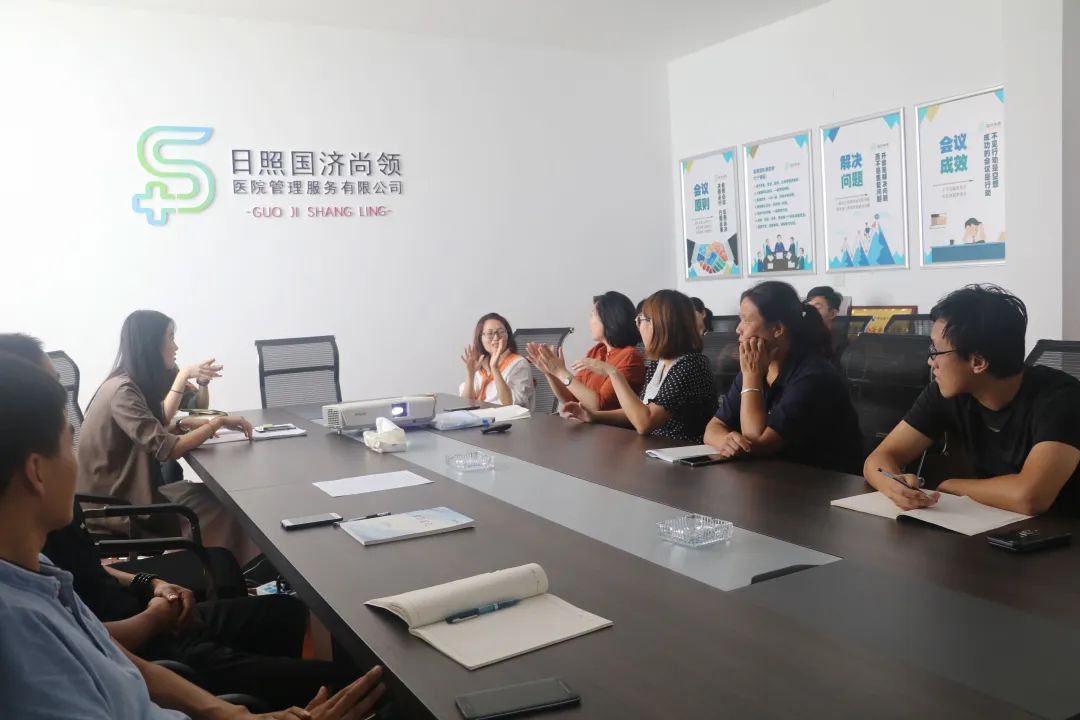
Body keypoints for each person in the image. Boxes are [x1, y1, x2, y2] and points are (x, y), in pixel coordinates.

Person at [0, 353, 386, 719]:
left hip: (155, 633)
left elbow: (123, 662)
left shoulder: (43, 573)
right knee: (374, 688)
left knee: (293, 620)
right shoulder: (21, 635)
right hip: (158, 633)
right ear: (37, 472)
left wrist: (237, 715)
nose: (78, 463)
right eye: (68, 446)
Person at [864, 285, 1080, 515]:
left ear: (978, 362)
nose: (930, 362)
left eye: (936, 351)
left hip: (1063, 529)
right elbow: (880, 457)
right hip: (996, 522)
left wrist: (950, 486)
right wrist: (894, 485)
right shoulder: (947, 391)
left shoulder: (1062, 399)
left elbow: (1030, 497)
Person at [76, 311, 257, 561]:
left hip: (126, 494)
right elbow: (167, 448)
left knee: (213, 497)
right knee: (227, 507)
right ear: (152, 344)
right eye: (170, 337)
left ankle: (214, 569)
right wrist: (217, 423)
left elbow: (147, 433)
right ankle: (215, 572)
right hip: (119, 509)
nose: (176, 346)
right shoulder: (123, 392)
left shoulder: (126, 383)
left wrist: (181, 424)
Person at [703, 281, 863, 473]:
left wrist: (752, 377)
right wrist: (726, 441)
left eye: (746, 320)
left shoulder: (814, 376)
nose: (738, 329)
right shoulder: (757, 366)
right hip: (773, 478)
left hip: (821, 483)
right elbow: (713, 428)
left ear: (778, 328)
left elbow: (758, 444)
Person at [561, 290, 718, 443]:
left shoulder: (690, 365)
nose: (638, 326)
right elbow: (639, 410)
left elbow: (644, 422)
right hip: (655, 448)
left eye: (641, 320)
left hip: (681, 452)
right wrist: (593, 416)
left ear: (660, 325)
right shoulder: (659, 363)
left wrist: (613, 373)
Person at [527, 292, 644, 412]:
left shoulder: (629, 356)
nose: (589, 321)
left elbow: (599, 406)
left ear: (610, 319)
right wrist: (550, 373)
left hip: (609, 424)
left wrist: (560, 372)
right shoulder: (597, 351)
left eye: (592, 315)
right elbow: (571, 399)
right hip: (585, 422)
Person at [459, 312, 534, 408]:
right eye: (490, 333)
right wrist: (471, 374)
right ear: (480, 338)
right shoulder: (480, 363)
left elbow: (510, 404)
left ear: (508, 335)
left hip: (507, 417)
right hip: (479, 415)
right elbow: (465, 403)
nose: (496, 337)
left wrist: (495, 369)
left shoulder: (519, 363)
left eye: (501, 332)